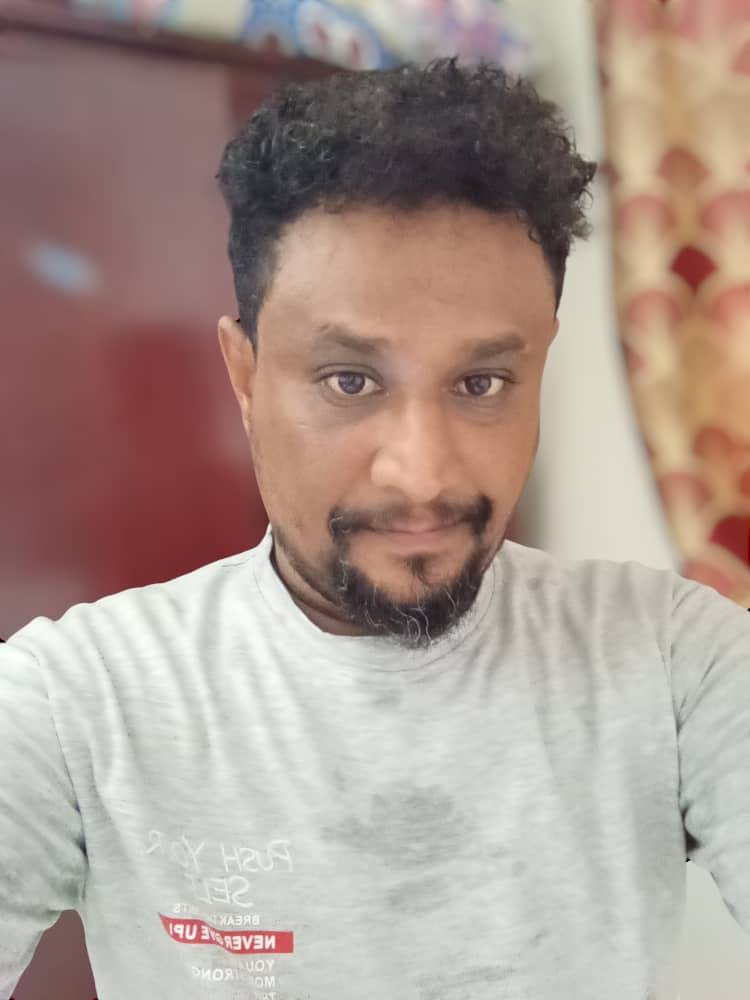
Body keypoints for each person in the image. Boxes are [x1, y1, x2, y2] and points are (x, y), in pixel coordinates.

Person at [1, 58, 748, 1000]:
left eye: (481, 383)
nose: (421, 475)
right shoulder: (75, 701)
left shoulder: (678, 664)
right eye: (349, 381)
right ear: (245, 376)